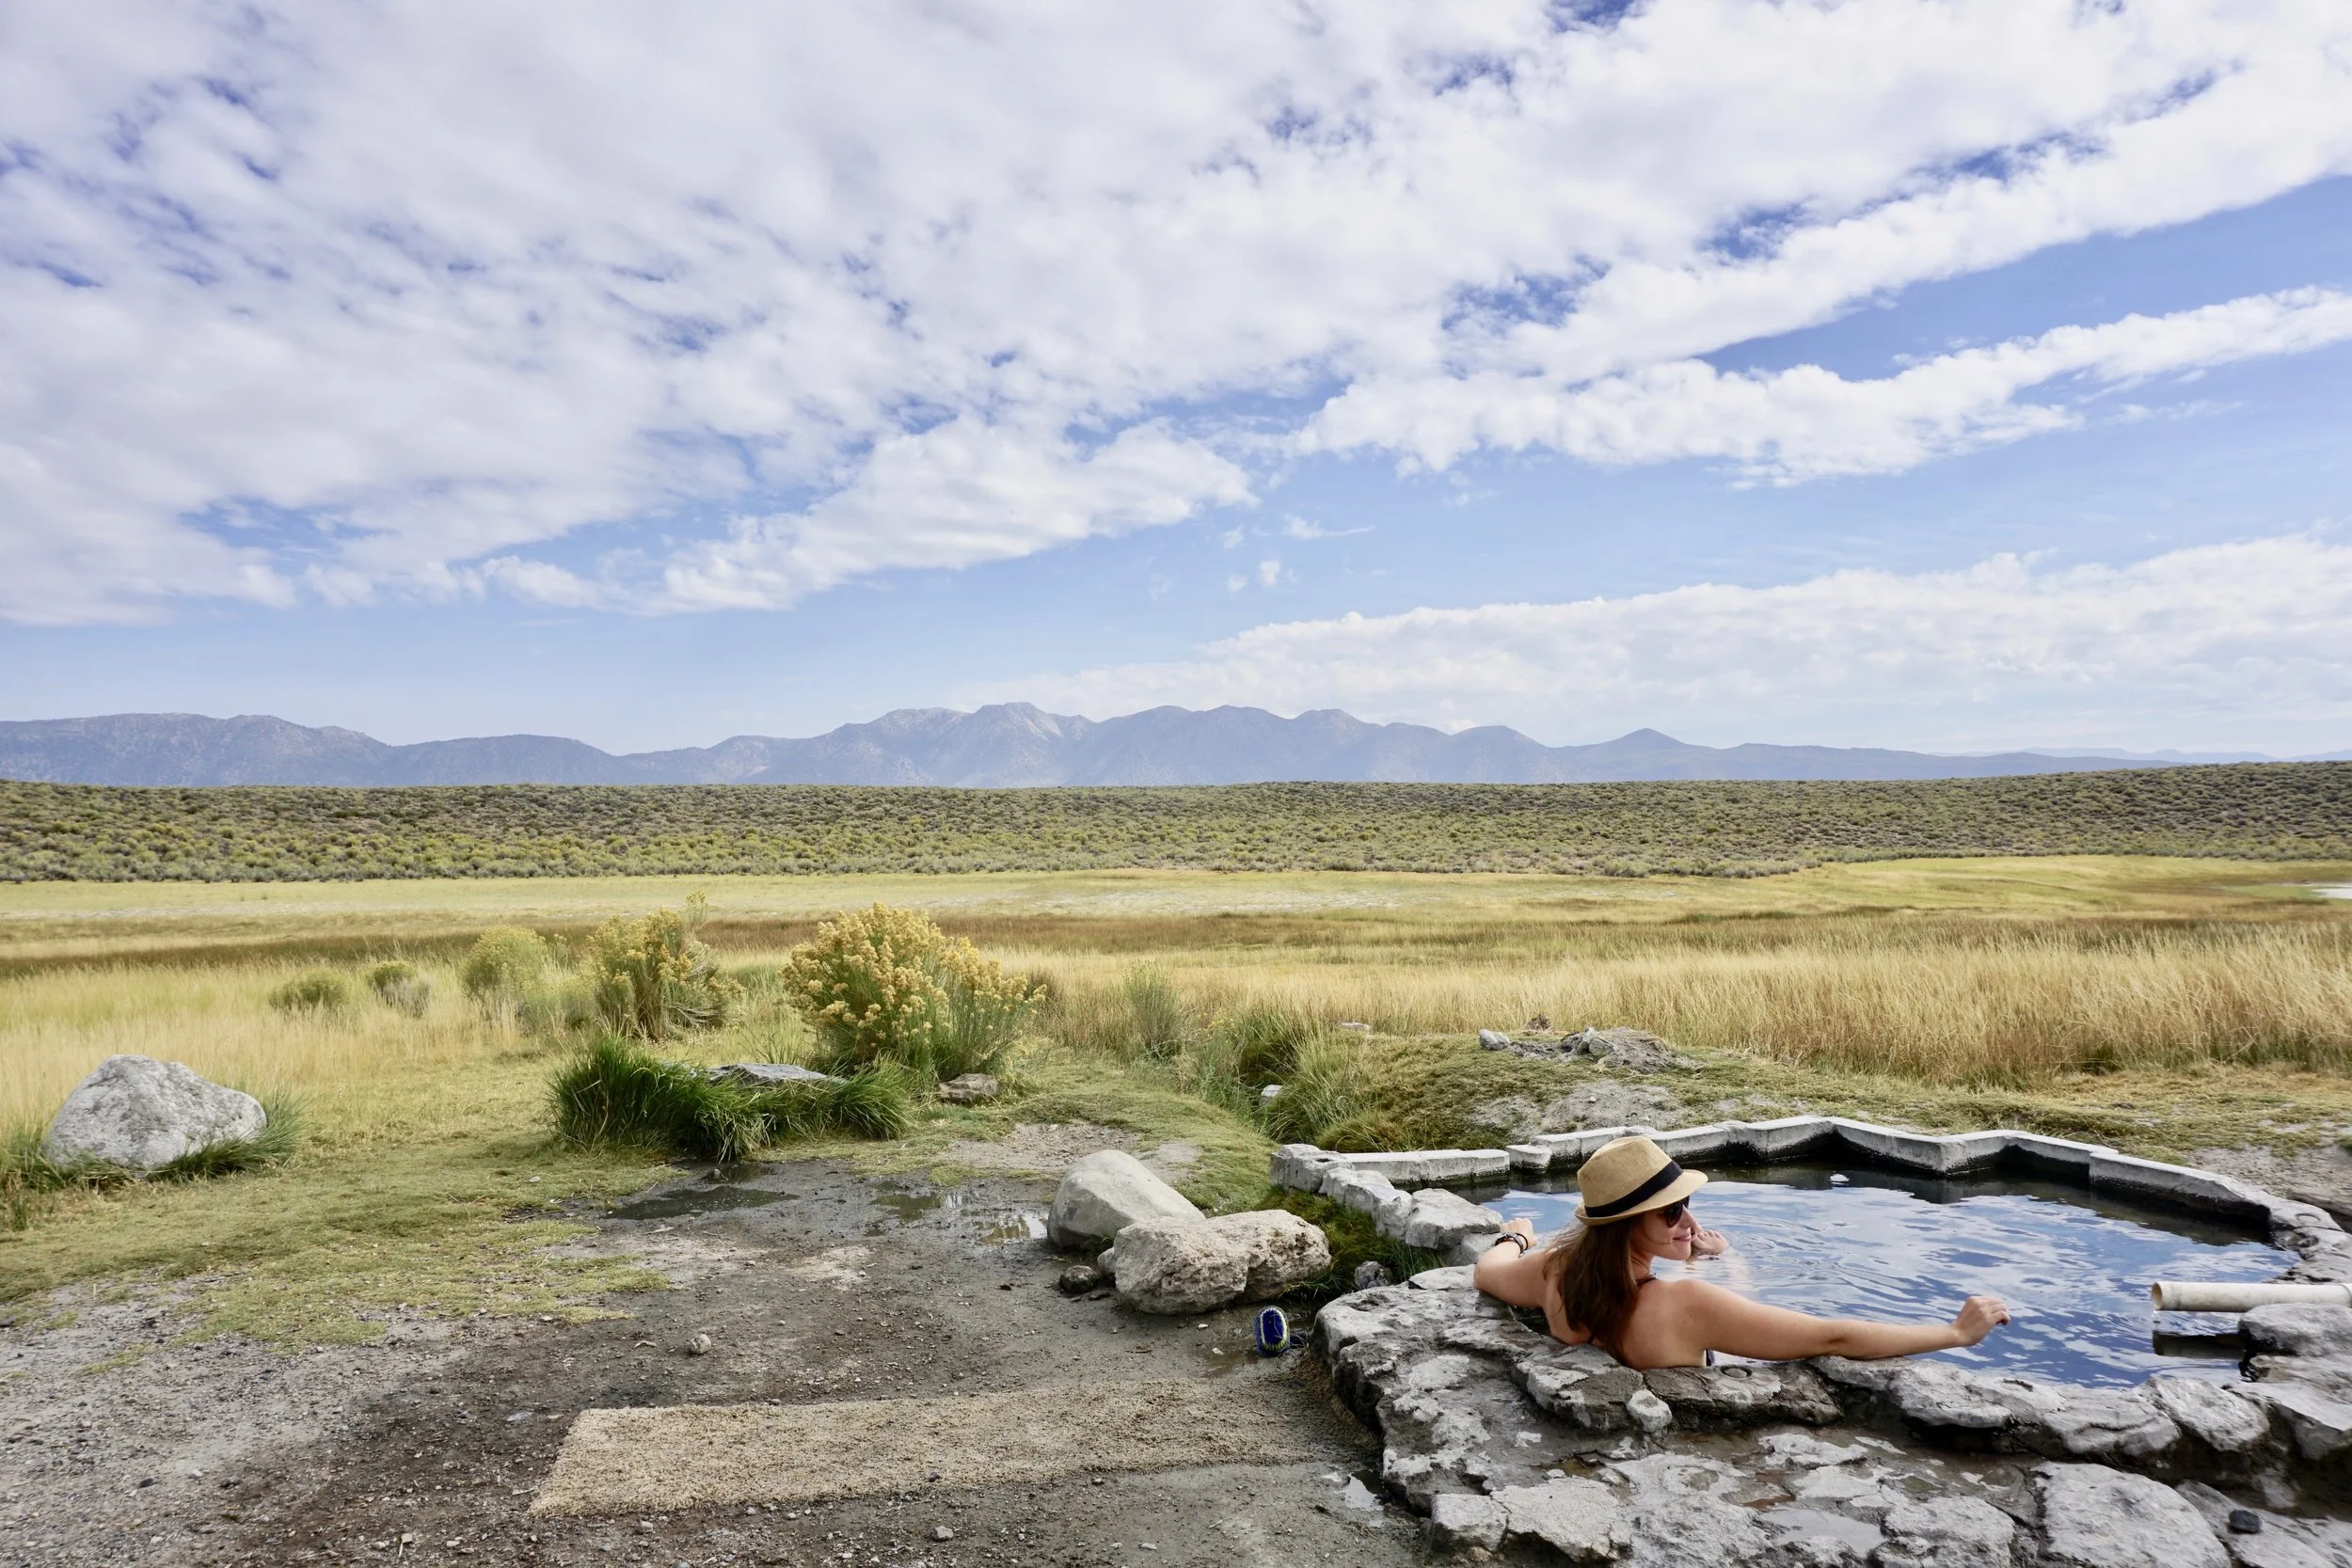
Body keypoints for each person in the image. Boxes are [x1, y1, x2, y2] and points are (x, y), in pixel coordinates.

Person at [1472, 1134, 2010, 1370]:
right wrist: (1955, 1334)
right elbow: (1832, 1336)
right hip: (1703, 1361)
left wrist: (1515, 1237)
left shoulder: (1559, 1269)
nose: (1688, 1220)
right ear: (1624, 1227)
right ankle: (1730, 1259)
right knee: (1735, 1276)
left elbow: (1487, 1274)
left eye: (1685, 1204)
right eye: (1671, 1212)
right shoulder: (1687, 1304)